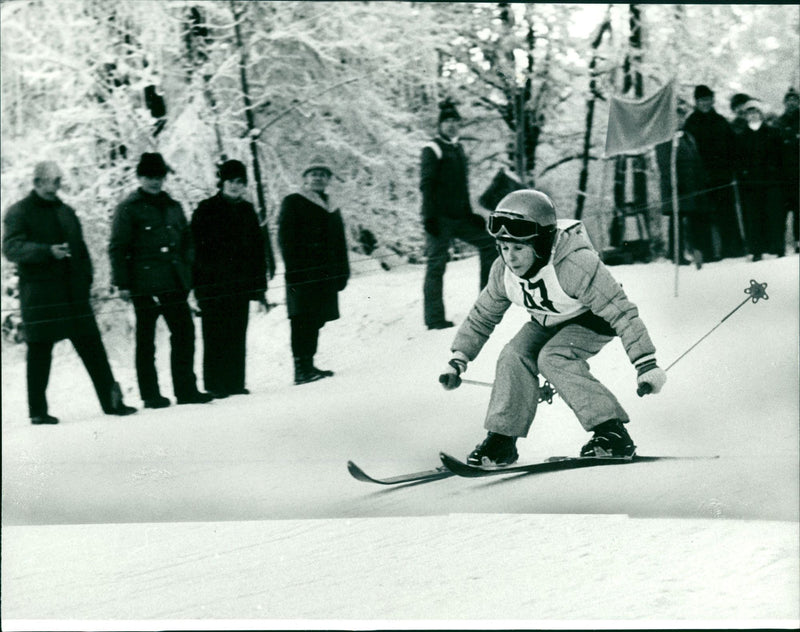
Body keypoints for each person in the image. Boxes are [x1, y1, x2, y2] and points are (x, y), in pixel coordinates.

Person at [438, 190, 666, 466]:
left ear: (541, 243)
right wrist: (458, 359)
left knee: (553, 357)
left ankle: (612, 432)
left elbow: (621, 312)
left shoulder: (574, 264)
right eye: (505, 247)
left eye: (519, 248)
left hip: (593, 319)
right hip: (547, 319)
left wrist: (646, 364)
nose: (511, 257)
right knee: (513, 354)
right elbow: (481, 317)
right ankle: (501, 440)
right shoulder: (503, 272)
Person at [2, 161, 136, 424]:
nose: (57, 186)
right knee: (39, 353)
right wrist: (46, 251)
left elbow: (81, 249)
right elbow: (11, 248)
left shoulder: (66, 211)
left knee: (94, 349)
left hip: (74, 295)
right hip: (40, 296)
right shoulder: (19, 212)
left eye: (59, 180)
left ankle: (113, 402)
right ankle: (38, 412)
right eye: (52, 181)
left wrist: (86, 279)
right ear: (37, 182)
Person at [109, 152, 212, 407]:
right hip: (143, 285)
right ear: (140, 177)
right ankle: (150, 395)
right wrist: (122, 283)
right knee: (146, 341)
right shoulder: (128, 209)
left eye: (158, 176)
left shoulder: (173, 206)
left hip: (174, 281)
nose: (154, 182)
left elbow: (187, 239)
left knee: (185, 334)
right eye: (149, 177)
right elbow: (118, 247)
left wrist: (187, 267)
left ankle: (186, 389)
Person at [191, 159, 268, 398]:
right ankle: (215, 384)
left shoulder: (247, 210)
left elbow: (257, 248)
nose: (236, 186)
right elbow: (195, 248)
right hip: (213, 283)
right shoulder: (206, 209)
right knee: (215, 333)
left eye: (240, 182)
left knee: (237, 331)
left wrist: (259, 284)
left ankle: (235, 382)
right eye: (231, 181)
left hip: (240, 283)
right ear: (222, 182)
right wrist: (198, 284)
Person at [421, 98, 497, 330]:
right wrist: (429, 216)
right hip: (439, 218)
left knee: (489, 243)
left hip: (460, 217)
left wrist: (469, 213)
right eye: (448, 122)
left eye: (456, 121)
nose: (452, 125)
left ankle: (487, 304)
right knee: (436, 265)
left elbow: (461, 187)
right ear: (440, 125)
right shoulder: (432, 148)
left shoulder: (458, 148)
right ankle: (434, 319)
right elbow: (427, 184)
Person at [277, 156, 350, 385]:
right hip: (303, 272)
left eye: (323, 174)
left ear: (328, 179)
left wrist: (343, 271)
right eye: (313, 174)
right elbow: (285, 238)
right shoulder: (294, 201)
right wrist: (294, 269)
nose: (318, 178)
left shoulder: (331, 206)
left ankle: (309, 364)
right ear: (305, 178)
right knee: (301, 318)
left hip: (325, 274)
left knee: (316, 318)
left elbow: (340, 242)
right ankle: (301, 369)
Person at [683, 84, 743, 259]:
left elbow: (732, 147)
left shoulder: (721, 121)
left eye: (708, 100)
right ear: (696, 102)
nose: (705, 103)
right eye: (702, 100)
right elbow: (688, 150)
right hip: (699, 177)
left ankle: (732, 249)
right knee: (701, 216)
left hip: (721, 175)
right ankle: (706, 252)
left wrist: (732, 168)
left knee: (726, 212)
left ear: (712, 100)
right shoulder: (691, 122)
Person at [655, 104, 711, 268]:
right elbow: (664, 164)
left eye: (681, 117)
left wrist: (701, 179)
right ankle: (676, 254)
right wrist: (674, 184)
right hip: (675, 187)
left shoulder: (688, 137)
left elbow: (696, 160)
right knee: (677, 219)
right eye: (676, 117)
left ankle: (694, 251)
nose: (679, 120)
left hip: (692, 186)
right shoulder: (665, 138)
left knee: (692, 219)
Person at [733, 99, 785, 261]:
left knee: (774, 215)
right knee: (753, 217)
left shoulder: (772, 133)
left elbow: (780, 157)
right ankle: (756, 249)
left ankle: (777, 247)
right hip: (751, 185)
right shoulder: (741, 137)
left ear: (761, 114)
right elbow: (737, 160)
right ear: (746, 116)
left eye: (756, 112)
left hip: (771, 182)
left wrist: (775, 172)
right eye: (749, 112)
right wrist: (743, 174)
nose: (753, 115)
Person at [776, 87, 799, 254]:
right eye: (789, 100)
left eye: (795, 100)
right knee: (781, 211)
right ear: (784, 103)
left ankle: (798, 241)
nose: (791, 103)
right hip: (783, 175)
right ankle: (780, 244)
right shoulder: (779, 122)